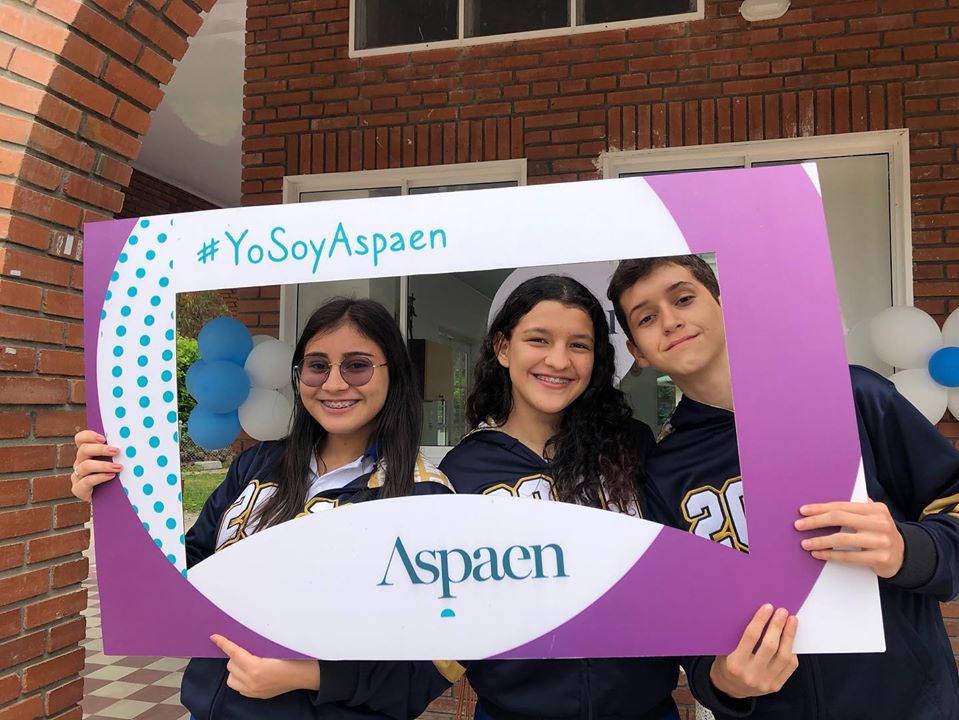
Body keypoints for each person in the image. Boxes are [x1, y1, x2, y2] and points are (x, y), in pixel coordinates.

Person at [607, 254, 959, 718]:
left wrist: (907, 549)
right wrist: (722, 682)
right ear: (638, 352)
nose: (670, 321)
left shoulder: (846, 395)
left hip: (911, 704)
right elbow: (685, 614)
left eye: (684, 299)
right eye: (647, 318)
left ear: (724, 305)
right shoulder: (663, 469)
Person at [71, 298, 454, 720]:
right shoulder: (257, 463)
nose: (334, 384)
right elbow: (188, 568)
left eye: (357, 365)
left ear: (394, 373)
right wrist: (116, 504)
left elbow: (434, 665)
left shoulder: (424, 495)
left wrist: (311, 676)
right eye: (317, 366)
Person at [438, 275, 781, 720]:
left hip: (646, 708)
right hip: (513, 710)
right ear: (504, 348)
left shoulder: (632, 445)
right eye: (539, 339)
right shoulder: (463, 470)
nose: (558, 360)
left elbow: (684, 567)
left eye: (579, 345)